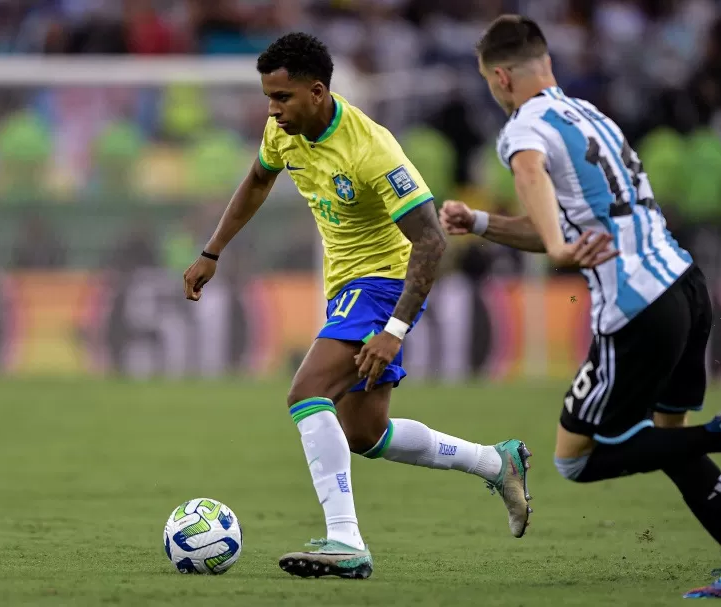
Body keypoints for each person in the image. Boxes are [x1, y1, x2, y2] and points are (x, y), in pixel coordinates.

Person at [440, 15, 721, 600]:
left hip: (635, 308)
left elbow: (531, 178)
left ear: (501, 76)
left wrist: (555, 248)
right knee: (664, 438)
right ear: (546, 62)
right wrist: (479, 223)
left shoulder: (523, 126)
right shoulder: (593, 116)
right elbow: (574, 220)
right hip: (685, 286)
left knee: (576, 460)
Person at [183, 33, 534, 581]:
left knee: (306, 393)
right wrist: (212, 251)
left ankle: (345, 540)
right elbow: (257, 179)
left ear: (318, 91)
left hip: (384, 284)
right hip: (346, 287)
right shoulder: (284, 133)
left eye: (282, 98)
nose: (272, 111)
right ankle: (495, 461)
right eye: (268, 98)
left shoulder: (372, 149)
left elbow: (432, 240)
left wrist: (393, 328)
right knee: (364, 433)